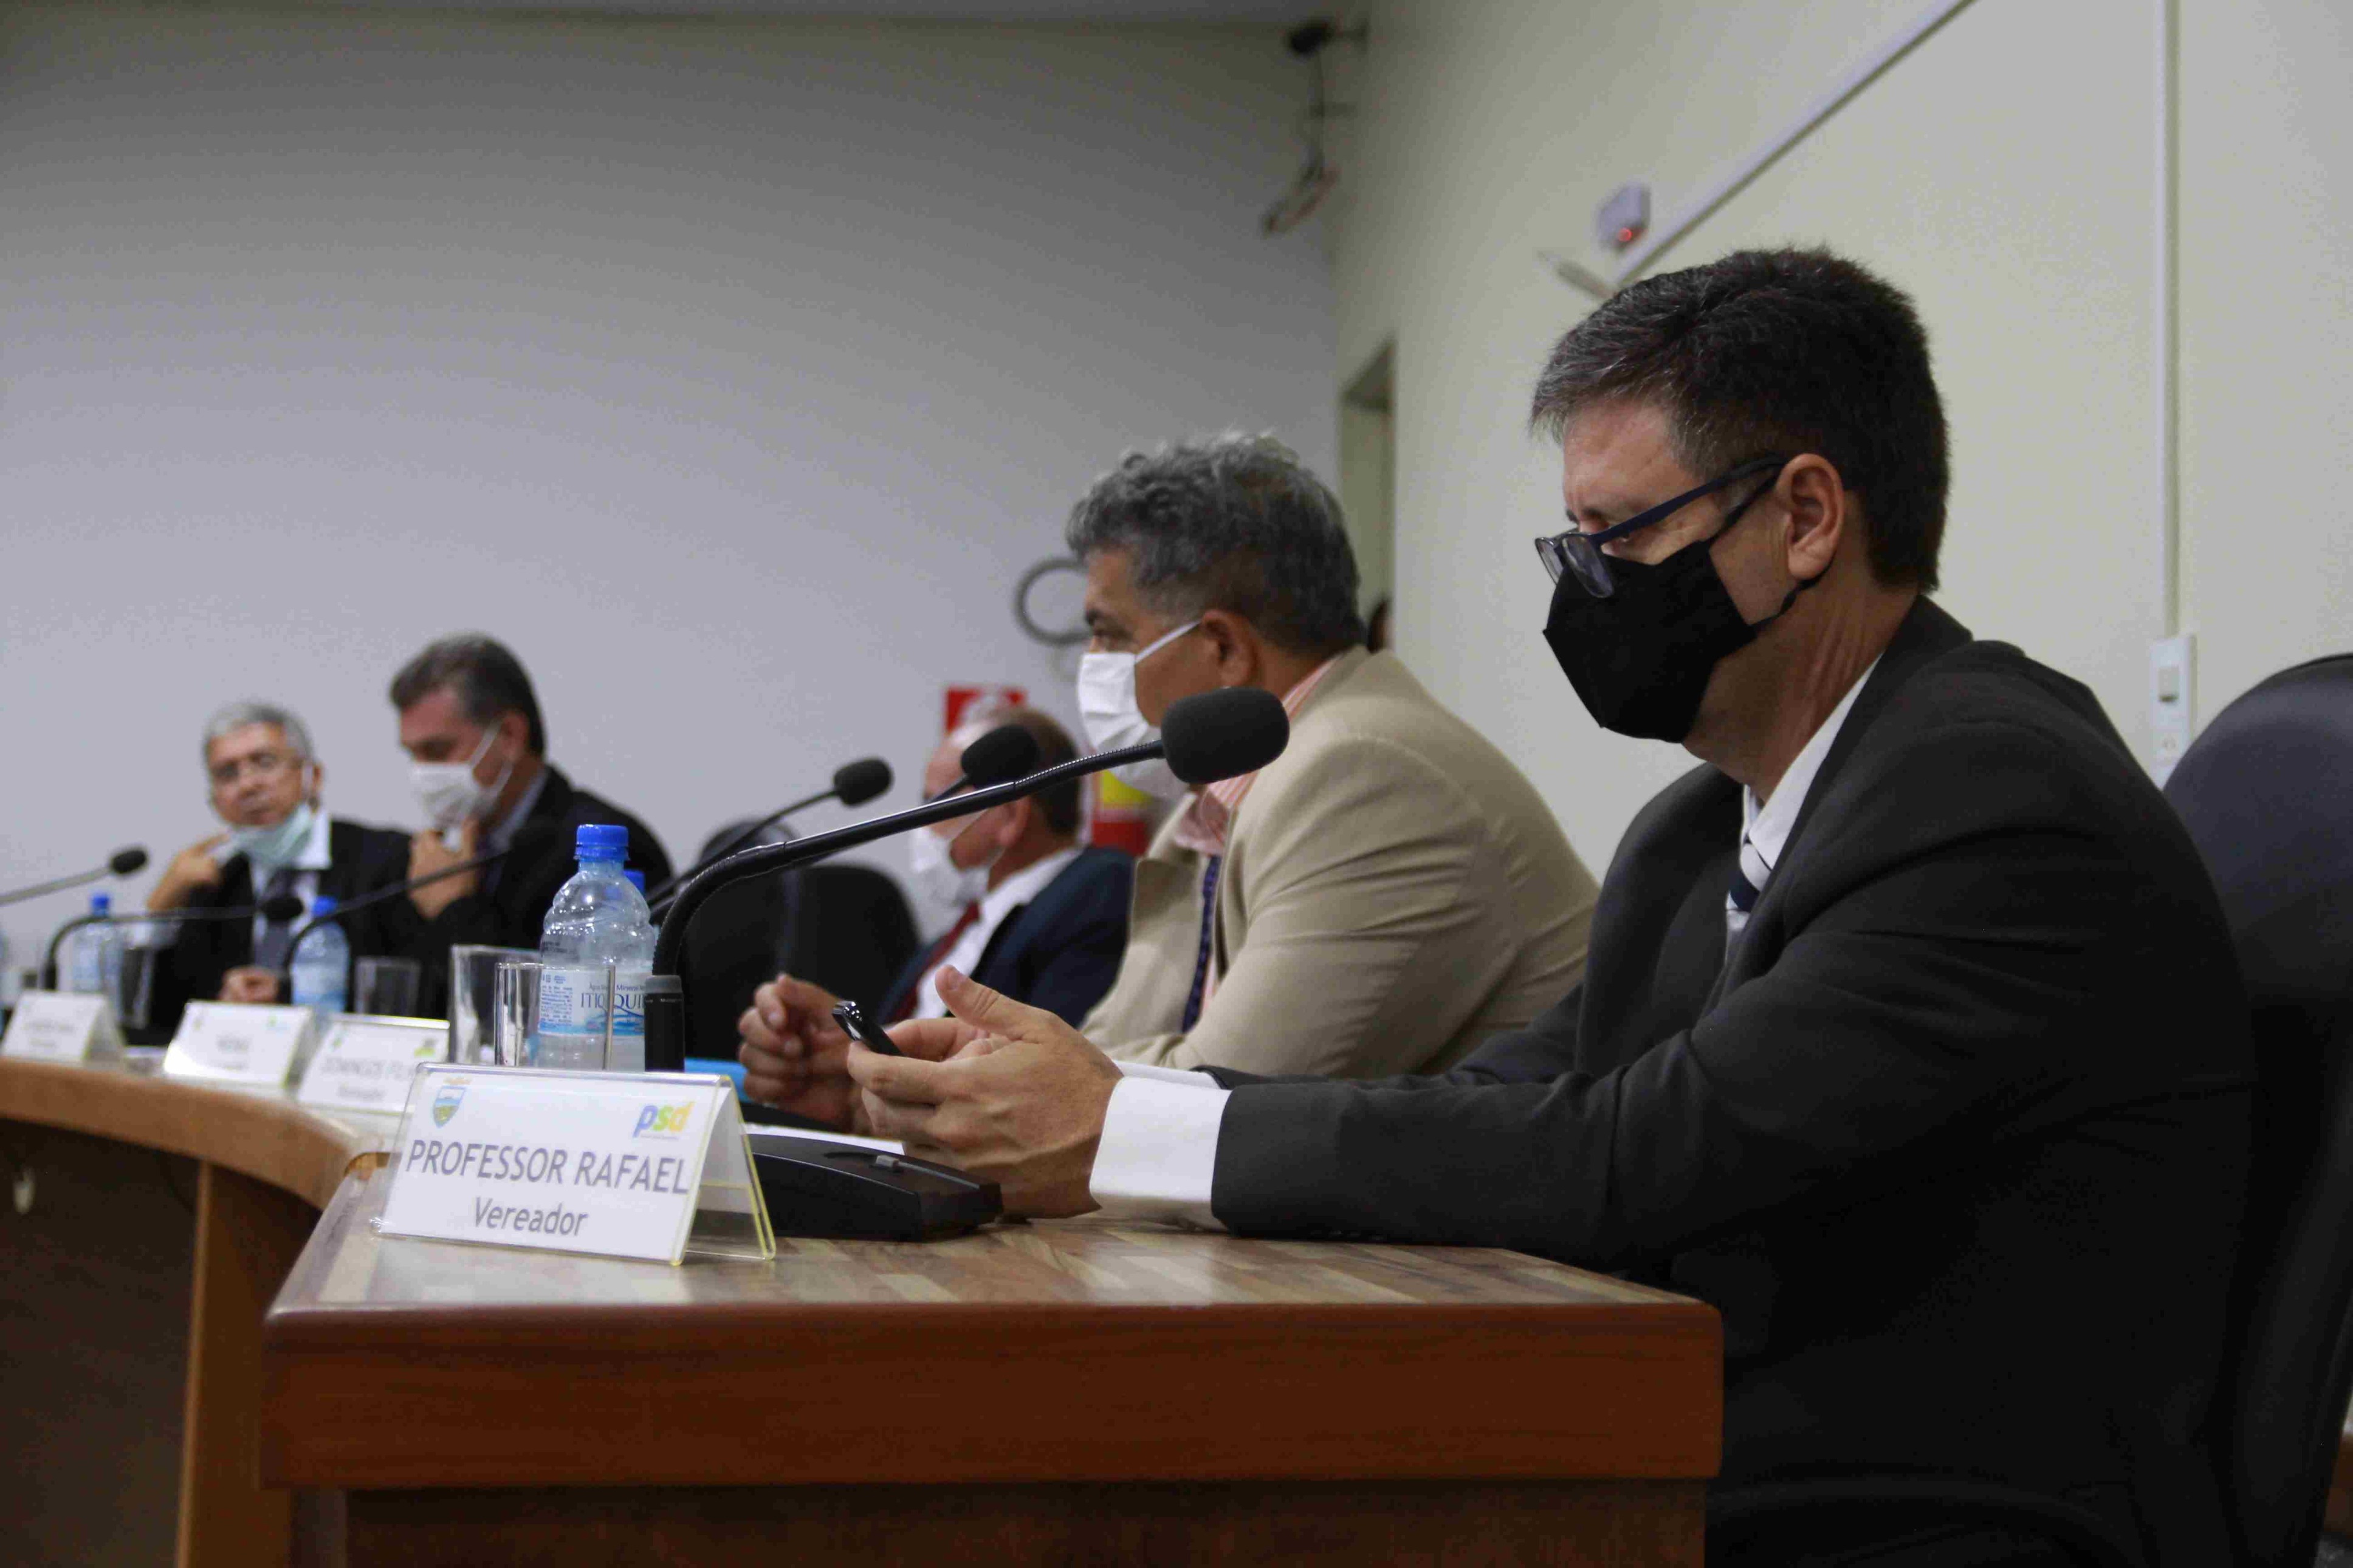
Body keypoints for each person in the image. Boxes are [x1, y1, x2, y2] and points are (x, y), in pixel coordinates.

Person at [751, 252, 2256, 1567]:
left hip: (1930, 1512)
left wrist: (1119, 1131)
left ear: (1806, 516)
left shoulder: (1990, 790)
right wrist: (1080, 1109)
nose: (1584, 586)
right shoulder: (1700, 827)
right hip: (1699, 1441)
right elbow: (1507, 1094)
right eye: (1571, 541)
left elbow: (1641, 1151)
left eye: (1620, 536)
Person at [740, 434, 1597, 1098]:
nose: (1093, 665)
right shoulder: (1214, 807)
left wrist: (923, 1084)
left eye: (1109, 633)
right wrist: (875, 1078)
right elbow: (1106, 1057)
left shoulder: (1364, 775)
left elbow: (1209, 1103)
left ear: (1222, 647)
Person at [740, 708, 1130, 1050]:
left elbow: (1046, 1068)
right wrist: (836, 1047)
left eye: (937, 805)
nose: (924, 829)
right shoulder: (968, 925)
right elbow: (902, 1050)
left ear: (1010, 817)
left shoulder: (1097, 893)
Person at [381, 634, 672, 1013]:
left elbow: (546, 1010)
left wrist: (454, 908)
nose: (422, 773)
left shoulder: (603, 849)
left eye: (437, 751)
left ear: (509, 736)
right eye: (413, 755)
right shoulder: (444, 852)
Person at [143, 702, 409, 1031]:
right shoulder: (217, 886)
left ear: (313, 776)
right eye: (227, 774)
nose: (247, 785)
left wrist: (287, 993)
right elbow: (160, 1021)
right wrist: (160, 910)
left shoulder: (387, 859)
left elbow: (407, 988)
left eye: (265, 763)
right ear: (214, 801)